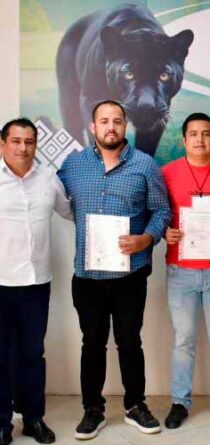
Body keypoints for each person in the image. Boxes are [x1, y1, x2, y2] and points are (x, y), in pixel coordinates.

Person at [57, 100, 171, 440]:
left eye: (117, 121)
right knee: (92, 343)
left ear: (125, 125)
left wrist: (146, 239)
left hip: (130, 274)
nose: (111, 126)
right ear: (93, 127)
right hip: (87, 275)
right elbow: (56, 201)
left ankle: (136, 406)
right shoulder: (73, 165)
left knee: (129, 341)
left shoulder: (145, 165)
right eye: (104, 121)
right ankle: (93, 410)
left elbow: (162, 211)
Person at [161, 113, 210, 429]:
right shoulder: (166, 174)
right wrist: (166, 232)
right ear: (183, 140)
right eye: (193, 134)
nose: (199, 139)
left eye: (206, 133)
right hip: (180, 269)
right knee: (183, 340)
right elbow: (159, 215)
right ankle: (179, 402)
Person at [0, 118, 72, 445]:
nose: (23, 148)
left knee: (32, 354)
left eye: (29, 142)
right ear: (3, 144)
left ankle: (33, 419)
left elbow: (70, 211)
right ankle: (2, 423)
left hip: (36, 283)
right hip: (1, 282)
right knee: (0, 356)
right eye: (16, 141)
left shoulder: (48, 178)